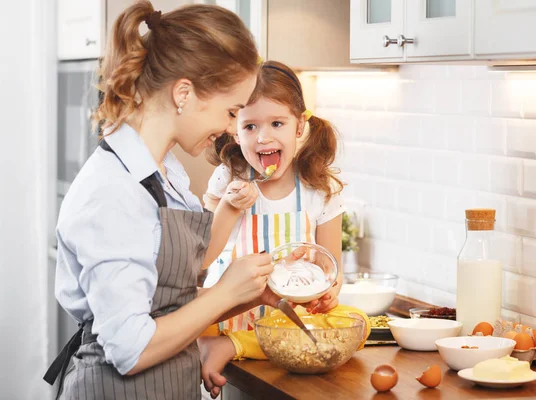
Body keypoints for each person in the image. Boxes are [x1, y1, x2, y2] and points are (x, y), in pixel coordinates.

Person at [43, 2, 275, 399]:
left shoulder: (163, 173)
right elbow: (130, 348)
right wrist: (224, 293)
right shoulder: (113, 192)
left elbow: (165, 307)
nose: (231, 131)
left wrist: (245, 295)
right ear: (184, 93)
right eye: (231, 111)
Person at [198, 60, 371, 397]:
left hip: (290, 322)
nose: (264, 137)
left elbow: (331, 268)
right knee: (197, 320)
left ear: (299, 127)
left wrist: (327, 290)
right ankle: (225, 343)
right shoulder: (228, 177)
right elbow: (202, 257)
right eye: (250, 127)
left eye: (277, 123)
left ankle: (236, 346)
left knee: (358, 323)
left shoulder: (319, 187)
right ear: (234, 129)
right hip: (231, 314)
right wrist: (229, 208)